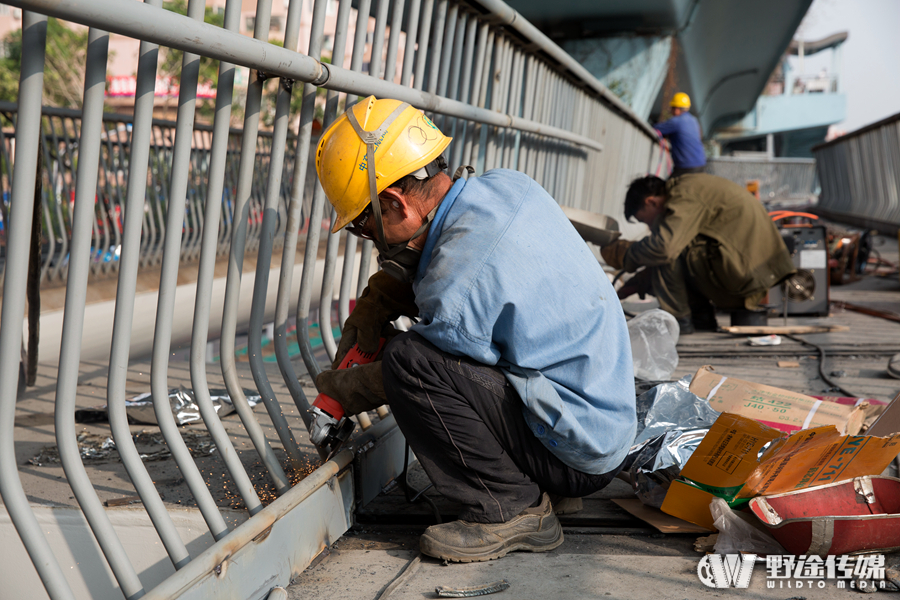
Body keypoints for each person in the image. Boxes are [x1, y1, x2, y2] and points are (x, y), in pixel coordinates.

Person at [314, 96, 636, 562]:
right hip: (600, 428)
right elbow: (473, 270)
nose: (368, 238)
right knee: (426, 357)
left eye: (364, 225)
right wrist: (378, 297)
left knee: (410, 362)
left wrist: (346, 389)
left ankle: (510, 508)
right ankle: (536, 481)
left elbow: (441, 335)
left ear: (393, 201)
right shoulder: (507, 187)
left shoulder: (457, 288)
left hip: (576, 453)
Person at [600, 173, 795, 334]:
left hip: (745, 277)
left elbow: (665, 249)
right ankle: (700, 317)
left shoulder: (684, 194)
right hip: (751, 271)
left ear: (651, 202)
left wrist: (624, 254)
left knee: (663, 249)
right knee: (668, 245)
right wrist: (640, 281)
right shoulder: (688, 188)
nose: (649, 227)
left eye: (645, 221)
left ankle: (681, 321)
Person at [654, 92, 706, 177]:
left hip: (686, 166)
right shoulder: (694, 121)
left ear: (677, 109)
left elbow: (656, 129)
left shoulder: (676, 121)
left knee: (671, 187)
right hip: (701, 164)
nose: (671, 111)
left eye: (672, 108)